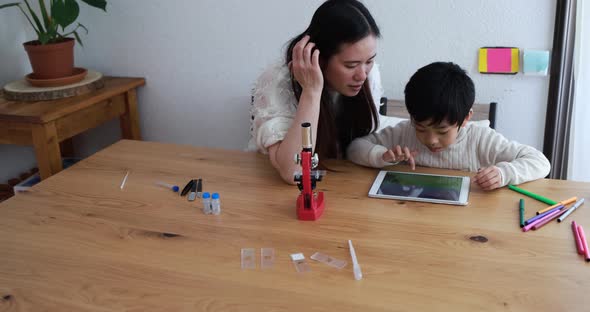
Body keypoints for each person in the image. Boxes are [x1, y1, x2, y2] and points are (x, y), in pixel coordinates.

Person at [347, 62, 551, 191]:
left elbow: (540, 162)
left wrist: (503, 173)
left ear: (465, 119)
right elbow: (354, 148)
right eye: (421, 128)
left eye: (442, 131)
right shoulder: (403, 133)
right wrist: (381, 156)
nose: (431, 139)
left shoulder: (481, 139)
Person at [248, 0, 385, 184]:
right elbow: (293, 173)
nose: (362, 75)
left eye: (369, 61)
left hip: (341, 182)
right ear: (319, 58)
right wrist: (311, 92)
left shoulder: (369, 73)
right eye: (350, 65)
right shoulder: (278, 80)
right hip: (268, 189)